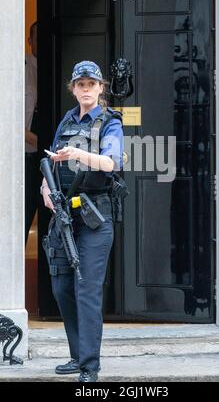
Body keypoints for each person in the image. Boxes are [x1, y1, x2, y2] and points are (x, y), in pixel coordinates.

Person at [40, 61, 124, 383]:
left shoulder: (109, 122)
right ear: (73, 89)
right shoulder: (67, 120)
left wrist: (77, 155)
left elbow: (110, 162)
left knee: (86, 289)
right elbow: (50, 159)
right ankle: (77, 355)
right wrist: (46, 188)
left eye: (92, 84)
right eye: (80, 84)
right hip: (65, 215)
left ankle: (90, 366)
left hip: (94, 217)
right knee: (62, 286)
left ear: (100, 88)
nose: (86, 89)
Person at [25, 21, 39, 245]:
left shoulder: (60, 67)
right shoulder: (20, 68)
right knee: (24, 216)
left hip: (57, 158)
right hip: (27, 156)